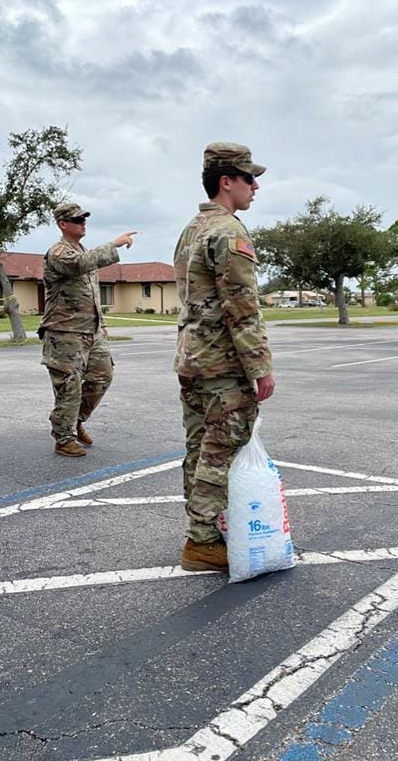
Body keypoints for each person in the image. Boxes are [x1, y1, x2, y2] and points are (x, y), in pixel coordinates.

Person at [173, 142, 275, 572]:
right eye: (249, 179)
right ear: (226, 181)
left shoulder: (192, 228)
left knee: (199, 447)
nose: (255, 187)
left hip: (193, 359)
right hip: (221, 364)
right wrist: (261, 367)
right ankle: (201, 542)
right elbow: (241, 305)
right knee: (223, 448)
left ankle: (205, 531)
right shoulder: (229, 231)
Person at [38, 202, 137, 457]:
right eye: (77, 219)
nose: (83, 222)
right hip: (64, 333)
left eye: (84, 218)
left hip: (90, 331)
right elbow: (81, 264)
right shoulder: (59, 252)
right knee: (69, 386)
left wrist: (101, 323)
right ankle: (63, 438)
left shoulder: (82, 251)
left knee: (102, 376)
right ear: (63, 224)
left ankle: (77, 420)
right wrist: (114, 244)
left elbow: (92, 295)